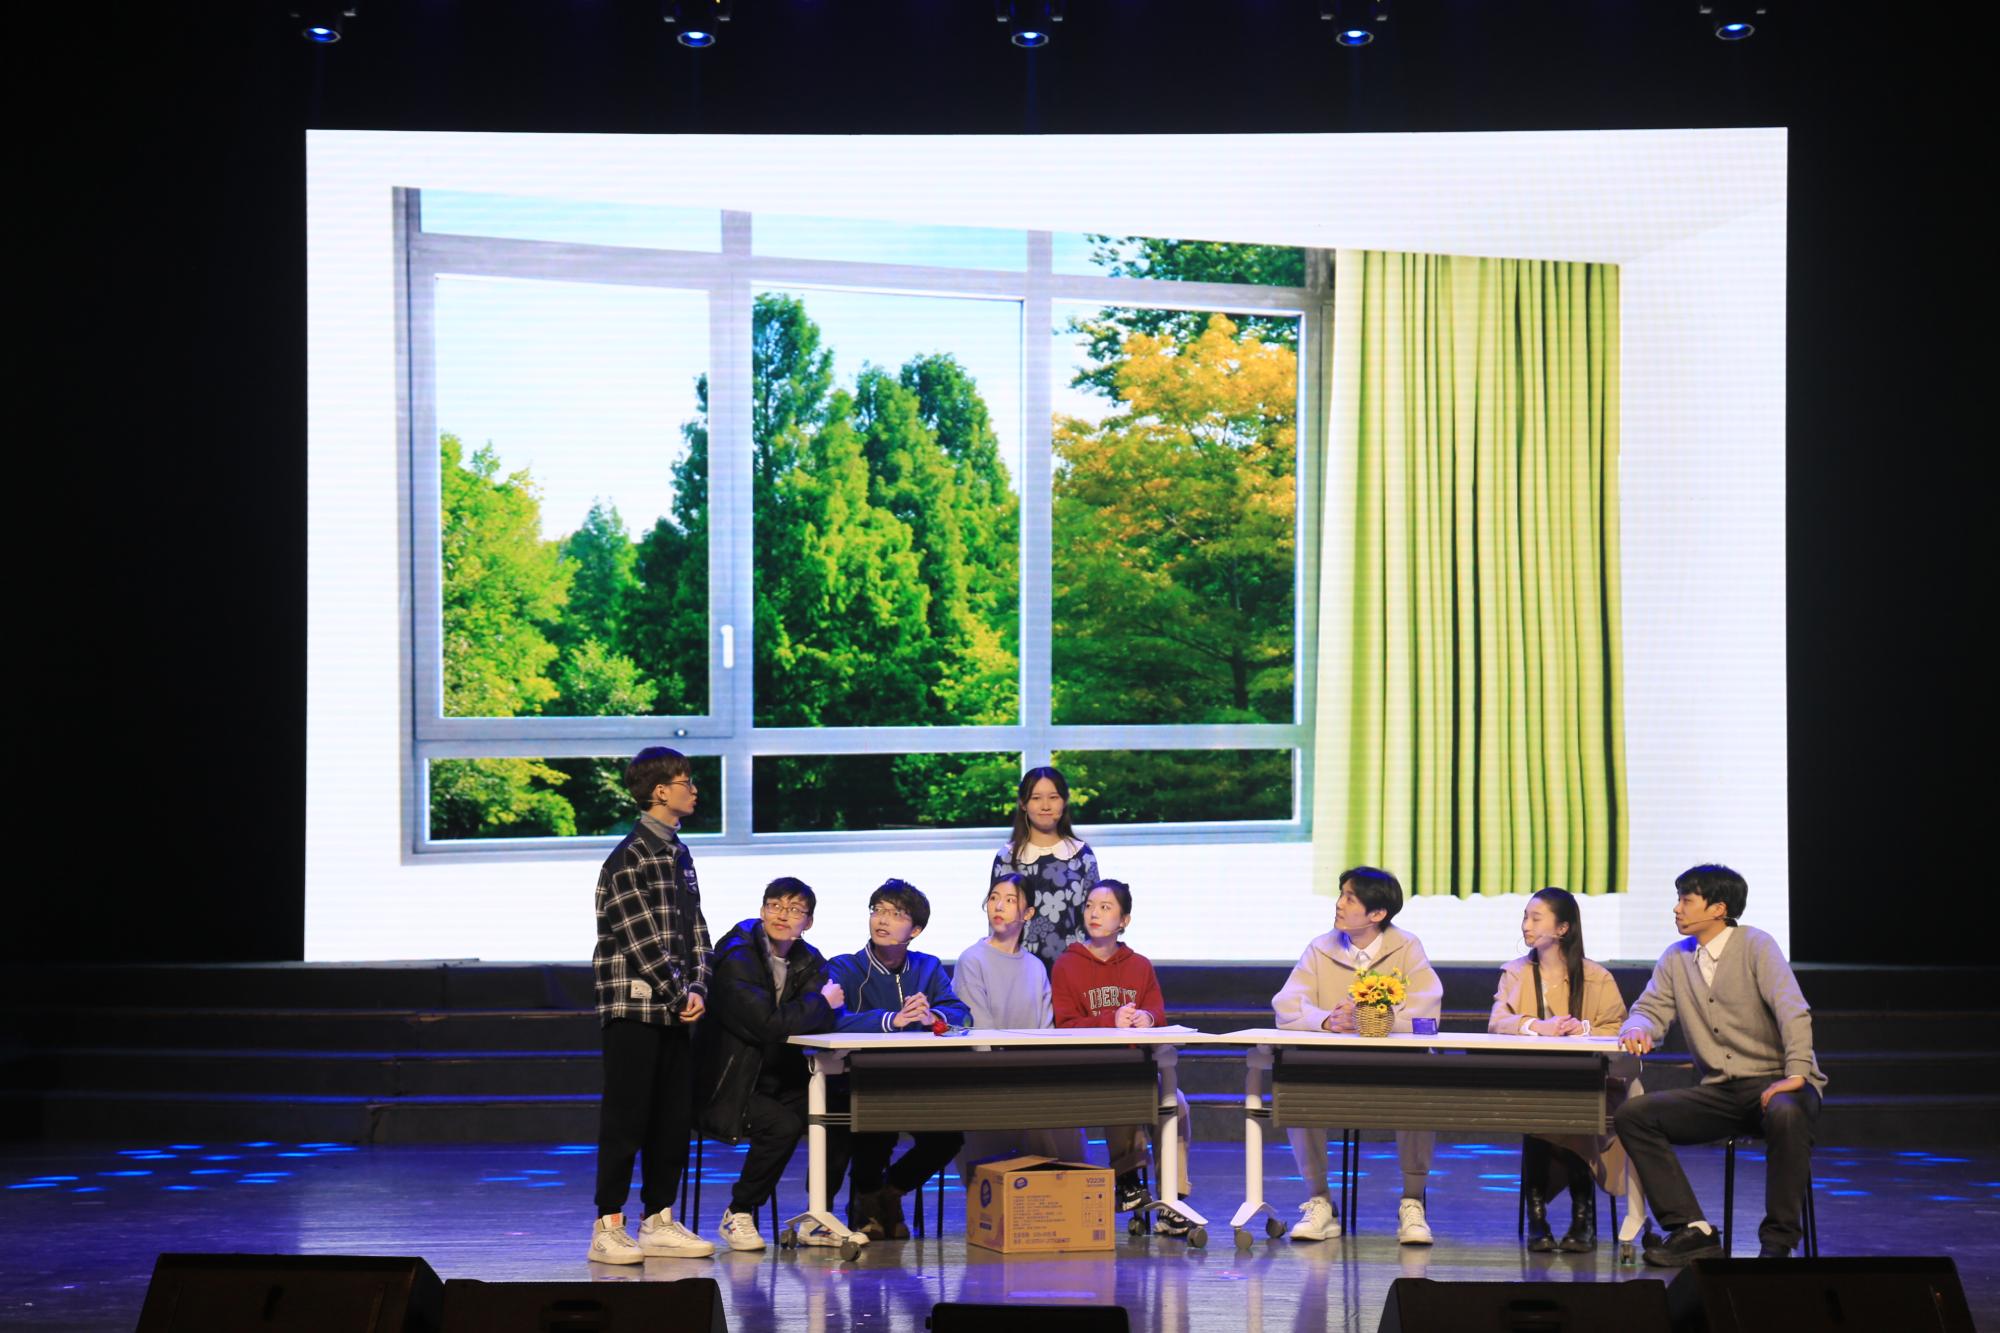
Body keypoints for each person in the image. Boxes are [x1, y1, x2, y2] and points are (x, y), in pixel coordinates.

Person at [1616, 864, 1826, 1265]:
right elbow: (1649, 1009)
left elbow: (1793, 1010)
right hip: (1722, 1093)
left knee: (1785, 1114)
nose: (1676, 909)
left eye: (1686, 900)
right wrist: (1638, 1028)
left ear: (1718, 908)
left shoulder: (1756, 946)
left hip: (1779, 1082)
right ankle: (1693, 1228)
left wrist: (1797, 1073)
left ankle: (1778, 1242)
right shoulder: (1676, 958)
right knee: (1634, 1115)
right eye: (1678, 900)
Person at [587, 747, 717, 1263]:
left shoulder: (679, 853)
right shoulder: (629, 857)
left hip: (674, 1009)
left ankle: (658, 1218)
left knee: (672, 1119)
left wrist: (700, 987)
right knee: (627, 1119)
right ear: (660, 791)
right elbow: (639, 940)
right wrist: (679, 991)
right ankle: (607, 1225)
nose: (694, 790)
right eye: (686, 782)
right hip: (634, 1008)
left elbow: (696, 928)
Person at [1271, 866, 1443, 1246]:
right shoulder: (1320, 948)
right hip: (1333, 1065)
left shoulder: (1407, 947)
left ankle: (1413, 1202)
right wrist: (1326, 1020)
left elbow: (1428, 1009)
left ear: (1377, 913)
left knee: (1422, 1086)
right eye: (1341, 894)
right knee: (1296, 1087)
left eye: (1350, 898)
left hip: (1394, 1066)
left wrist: (1376, 1019)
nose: (1339, 904)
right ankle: (1320, 1201)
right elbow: (1287, 1004)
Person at [1488, 887, 1650, 1255]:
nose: (1526, 925)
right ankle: (1538, 1216)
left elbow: (1618, 1025)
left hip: (1588, 1083)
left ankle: (1582, 1215)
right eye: (1525, 917)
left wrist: (1584, 1028)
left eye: (1536, 918)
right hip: (1532, 1082)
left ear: (1562, 928)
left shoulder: (1596, 976)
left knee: (1577, 1106)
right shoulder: (1515, 972)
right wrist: (1536, 1026)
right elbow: (1498, 1021)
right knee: (1540, 1106)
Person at [693, 877, 848, 1251]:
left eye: (794, 910)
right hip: (729, 1083)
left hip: (780, 1077)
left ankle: (817, 1216)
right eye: (775, 905)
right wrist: (818, 1005)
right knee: (782, 1125)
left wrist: (814, 1010)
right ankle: (739, 1212)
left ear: (808, 922)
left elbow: (824, 1019)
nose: (782, 915)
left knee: (841, 1114)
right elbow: (766, 1023)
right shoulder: (737, 955)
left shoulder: (808, 959)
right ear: (762, 910)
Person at [826, 879, 970, 1239]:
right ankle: (867, 1200)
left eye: (895, 914)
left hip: (917, 1080)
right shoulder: (845, 967)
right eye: (878, 910)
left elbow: (962, 1015)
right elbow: (831, 1019)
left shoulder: (928, 966)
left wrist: (932, 1017)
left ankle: (889, 1192)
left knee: (948, 1138)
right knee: (876, 1128)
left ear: (915, 930)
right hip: (859, 1080)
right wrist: (893, 1020)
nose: (882, 920)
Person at [1050, 879, 1194, 1236]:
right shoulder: (1066, 965)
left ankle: (1173, 1200)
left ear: (1124, 920)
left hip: (1137, 1069)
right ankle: (1128, 1181)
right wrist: (1108, 1020)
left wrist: (1146, 1019)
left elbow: (1157, 1012)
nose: (1094, 913)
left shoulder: (1139, 965)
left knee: (1177, 1104)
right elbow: (1065, 1024)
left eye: (1105, 907)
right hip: (1091, 1071)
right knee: (1124, 1091)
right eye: (1089, 906)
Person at [954, 873, 1088, 1166]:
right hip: (987, 1079)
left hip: (1032, 1077)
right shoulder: (972, 960)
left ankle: (1068, 1185)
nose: (998, 906)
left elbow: (1046, 1032)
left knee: (1064, 1119)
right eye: (993, 898)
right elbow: (980, 1035)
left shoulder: (1036, 967)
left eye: (1010, 900)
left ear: (1028, 914)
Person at [992, 766, 1101, 969]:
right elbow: (996, 922)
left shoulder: (1082, 855)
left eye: (1053, 797)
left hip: (1074, 969)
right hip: (1017, 970)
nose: (1045, 806)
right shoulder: (1006, 857)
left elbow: (1095, 919)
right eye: (1036, 798)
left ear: (1064, 801)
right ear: (1023, 804)